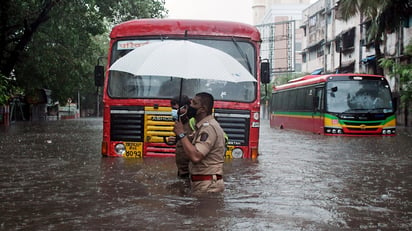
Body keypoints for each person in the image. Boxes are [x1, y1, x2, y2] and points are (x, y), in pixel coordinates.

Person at [173, 92, 226, 194]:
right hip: (202, 183)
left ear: (203, 109)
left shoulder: (208, 128)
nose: (190, 106)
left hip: (208, 185)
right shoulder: (201, 127)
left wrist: (181, 134)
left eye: (194, 103)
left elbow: (196, 156)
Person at [169, 95, 193, 179]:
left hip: (191, 171)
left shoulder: (192, 122)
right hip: (182, 171)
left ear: (186, 107)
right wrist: (176, 139)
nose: (173, 111)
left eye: (176, 109)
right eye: (172, 109)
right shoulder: (179, 123)